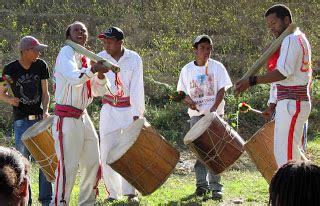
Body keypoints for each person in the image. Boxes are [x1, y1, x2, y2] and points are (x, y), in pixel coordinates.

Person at [235, 4, 312, 167]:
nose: (272, 29)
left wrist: (251, 81)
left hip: (293, 103)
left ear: (286, 20)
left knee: (288, 159)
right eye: (269, 26)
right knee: (289, 155)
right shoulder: (295, 38)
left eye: (274, 24)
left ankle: (293, 192)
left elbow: (283, 73)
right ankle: (299, 190)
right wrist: (273, 104)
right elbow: (283, 78)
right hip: (289, 103)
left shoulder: (291, 39)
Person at [51, 21, 111, 205]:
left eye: (84, 30)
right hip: (66, 118)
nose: (80, 32)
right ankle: (59, 203)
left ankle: (87, 202)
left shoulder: (85, 57)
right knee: (68, 167)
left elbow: (100, 91)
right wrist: (93, 69)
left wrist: (100, 74)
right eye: (76, 29)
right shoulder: (66, 52)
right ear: (68, 36)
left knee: (93, 161)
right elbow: (73, 78)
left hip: (83, 116)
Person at [177, 34, 232, 200]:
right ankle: (201, 186)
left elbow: (222, 89)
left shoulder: (217, 67)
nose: (206, 51)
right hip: (196, 116)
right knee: (199, 152)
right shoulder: (187, 69)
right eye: (202, 48)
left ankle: (216, 188)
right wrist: (189, 102)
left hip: (215, 116)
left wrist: (214, 107)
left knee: (215, 152)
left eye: (209, 48)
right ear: (195, 50)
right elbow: (181, 92)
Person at [0, 36, 52, 206]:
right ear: (25, 51)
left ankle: (46, 200)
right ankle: (25, 201)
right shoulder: (10, 70)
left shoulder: (41, 66)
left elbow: (45, 92)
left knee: (45, 161)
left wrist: (45, 110)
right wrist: (10, 100)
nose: (38, 53)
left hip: (40, 122)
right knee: (23, 164)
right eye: (35, 50)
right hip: (21, 122)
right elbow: (1, 92)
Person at [97, 27, 144, 203]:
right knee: (107, 151)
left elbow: (137, 87)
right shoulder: (100, 57)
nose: (106, 45)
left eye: (109, 42)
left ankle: (131, 192)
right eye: (104, 42)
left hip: (128, 109)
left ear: (120, 42)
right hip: (109, 108)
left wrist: (136, 114)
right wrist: (99, 74)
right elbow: (96, 86)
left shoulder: (134, 59)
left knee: (129, 152)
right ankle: (112, 193)